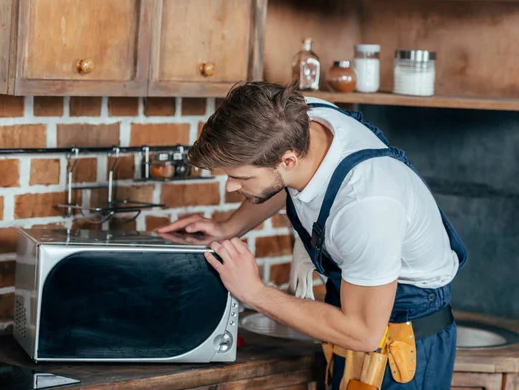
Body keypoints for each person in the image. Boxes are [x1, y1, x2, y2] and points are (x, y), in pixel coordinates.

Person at [158, 82, 467, 389]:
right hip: (357, 311)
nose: (230, 187)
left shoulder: (367, 205)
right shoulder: (299, 119)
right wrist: (229, 227)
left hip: (403, 335)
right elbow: (283, 180)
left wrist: (255, 292)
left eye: (241, 177)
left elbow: (363, 332)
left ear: (288, 159)